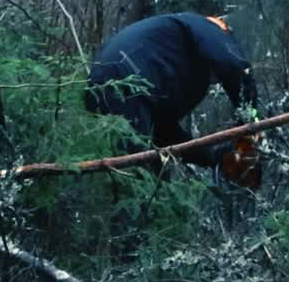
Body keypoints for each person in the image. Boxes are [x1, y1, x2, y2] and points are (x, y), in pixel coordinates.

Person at [85, 13, 259, 171]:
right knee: (137, 169)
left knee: (136, 167)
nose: (216, 81)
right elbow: (232, 64)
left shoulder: (174, 53)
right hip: (127, 78)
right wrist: (250, 120)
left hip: (102, 81)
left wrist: (209, 158)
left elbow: (164, 131)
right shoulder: (212, 29)